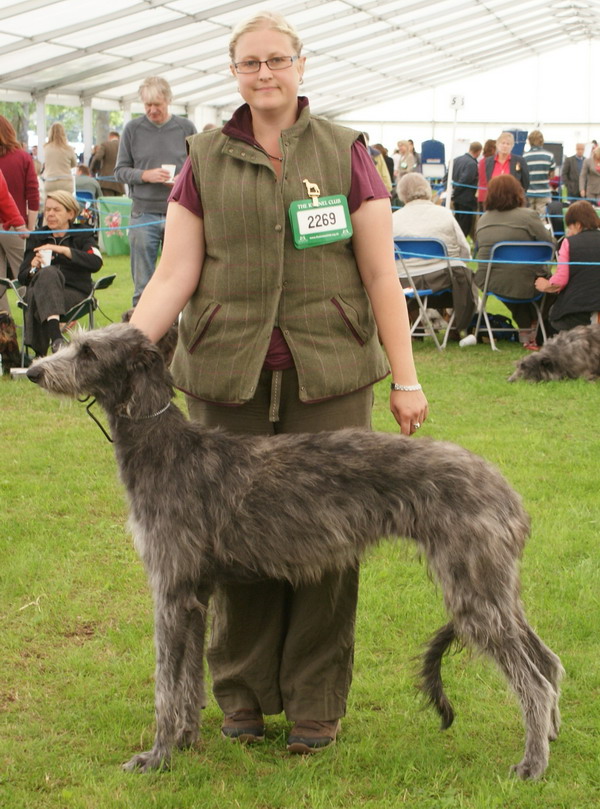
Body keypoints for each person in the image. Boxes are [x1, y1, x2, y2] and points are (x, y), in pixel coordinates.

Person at [129, 11, 427, 755]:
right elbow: (176, 270)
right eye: (249, 63)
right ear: (234, 72)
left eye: (277, 60)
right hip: (225, 373)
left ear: (301, 64)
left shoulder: (347, 151)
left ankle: (317, 703)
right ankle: (243, 696)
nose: (264, 74)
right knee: (226, 547)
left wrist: (407, 378)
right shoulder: (204, 156)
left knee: (329, 542)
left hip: (328, 375)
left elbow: (378, 271)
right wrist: (127, 351)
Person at [114, 76, 197, 305]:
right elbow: (119, 171)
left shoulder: (186, 127)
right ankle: (139, 335)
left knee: (181, 279)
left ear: (168, 101)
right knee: (143, 284)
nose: (152, 110)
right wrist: (144, 175)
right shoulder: (132, 129)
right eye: (147, 105)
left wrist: (182, 178)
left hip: (179, 212)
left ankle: (177, 333)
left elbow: (199, 166)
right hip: (143, 214)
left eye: (157, 105)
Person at [17, 191, 102, 356]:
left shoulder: (83, 234)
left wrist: (63, 250)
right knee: (48, 274)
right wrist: (34, 267)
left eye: (56, 210)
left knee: (38, 292)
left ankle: (39, 354)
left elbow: (96, 262)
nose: (50, 214)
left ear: (70, 213)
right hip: (42, 290)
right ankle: (56, 339)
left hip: (73, 292)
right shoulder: (37, 237)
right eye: (47, 210)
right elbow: (22, 276)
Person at [392, 173, 478, 334]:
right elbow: (464, 250)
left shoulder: (393, 219)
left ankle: (416, 328)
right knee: (460, 273)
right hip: (446, 280)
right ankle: (455, 327)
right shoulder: (444, 214)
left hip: (405, 282)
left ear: (401, 194)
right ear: (427, 189)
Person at [474, 174, 553, 350]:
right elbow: (550, 246)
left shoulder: (483, 220)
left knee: (515, 282)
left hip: (491, 280)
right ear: (517, 193)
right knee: (550, 285)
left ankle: (526, 327)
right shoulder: (528, 216)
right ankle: (534, 325)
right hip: (526, 281)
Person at [535, 200, 600, 331]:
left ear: (578, 224)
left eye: (570, 227)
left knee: (554, 314)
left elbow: (561, 280)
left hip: (579, 310)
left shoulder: (569, 243)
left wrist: (545, 285)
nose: (568, 231)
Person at [0, 116, 39, 313]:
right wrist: (29, 227)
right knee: (25, 275)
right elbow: (32, 194)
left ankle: (3, 325)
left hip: (11, 224)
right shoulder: (23, 157)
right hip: (15, 226)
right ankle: (38, 317)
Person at [477, 131, 529, 205]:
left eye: (508, 144)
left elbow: (525, 183)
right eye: (503, 143)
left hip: (513, 202)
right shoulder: (488, 162)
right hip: (494, 201)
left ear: (512, 146)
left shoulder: (520, 161)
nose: (505, 146)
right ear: (497, 145)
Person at [451, 141, 482, 237]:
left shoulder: (456, 160)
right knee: (464, 226)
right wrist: (455, 192)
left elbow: (446, 177)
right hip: (466, 199)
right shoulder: (472, 164)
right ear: (478, 152)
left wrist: (452, 192)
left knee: (457, 222)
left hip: (456, 198)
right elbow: (464, 180)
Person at [523, 130, 556, 215]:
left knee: (528, 217)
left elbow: (523, 175)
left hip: (529, 192)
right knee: (542, 218)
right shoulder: (549, 156)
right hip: (543, 192)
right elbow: (552, 175)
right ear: (542, 141)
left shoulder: (524, 156)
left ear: (529, 141)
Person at [42, 122, 77, 195]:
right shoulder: (69, 148)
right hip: (65, 182)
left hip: (50, 181)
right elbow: (74, 164)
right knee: (66, 205)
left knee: (51, 205)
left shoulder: (46, 148)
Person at [89, 131, 125, 196]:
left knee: (107, 204)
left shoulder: (105, 145)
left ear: (110, 137)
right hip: (120, 181)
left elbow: (97, 158)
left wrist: (93, 170)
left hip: (106, 181)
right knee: (118, 204)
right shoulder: (124, 146)